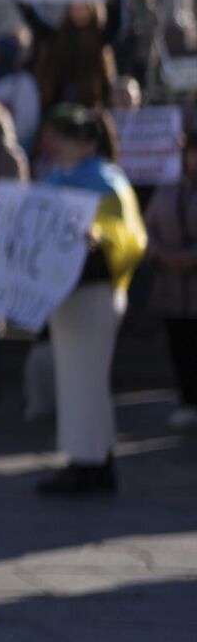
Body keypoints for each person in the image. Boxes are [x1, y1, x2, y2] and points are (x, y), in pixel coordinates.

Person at [37, 104, 148, 495]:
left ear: (86, 142)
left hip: (95, 292)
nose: (56, 144)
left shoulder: (107, 181)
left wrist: (98, 237)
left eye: (64, 136)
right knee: (75, 382)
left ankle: (92, 462)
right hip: (65, 295)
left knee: (88, 382)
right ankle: (86, 459)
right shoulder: (55, 178)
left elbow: (130, 237)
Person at [142, 135, 197, 432]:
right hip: (172, 289)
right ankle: (189, 401)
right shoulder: (167, 189)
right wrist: (161, 254)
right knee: (180, 347)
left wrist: (190, 258)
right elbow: (146, 229)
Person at [19, 0, 121, 109]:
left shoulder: (100, 37)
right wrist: (26, 6)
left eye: (83, 7)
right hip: (60, 101)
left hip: (92, 102)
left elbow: (116, 25)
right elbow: (39, 27)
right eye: (75, 7)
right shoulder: (60, 35)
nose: (79, 11)